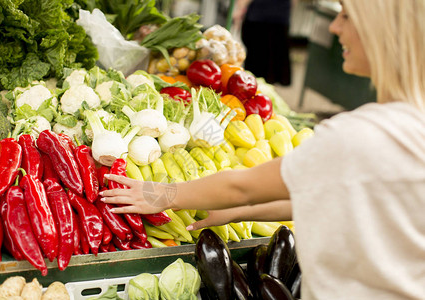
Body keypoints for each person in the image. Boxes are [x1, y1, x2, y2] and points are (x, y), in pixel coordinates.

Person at [101, 0, 425, 298]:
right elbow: (329, 201)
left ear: (380, 31)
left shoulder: (356, 136)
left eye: (346, 15)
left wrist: (161, 194)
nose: (334, 27)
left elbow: (241, 185)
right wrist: (239, 213)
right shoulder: (414, 125)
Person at [234, 0, 295, 85]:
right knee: (271, 70)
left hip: (258, 18)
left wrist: (240, 9)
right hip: (280, 18)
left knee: (255, 71)